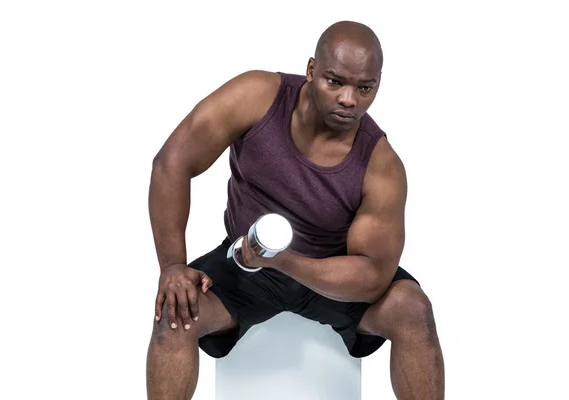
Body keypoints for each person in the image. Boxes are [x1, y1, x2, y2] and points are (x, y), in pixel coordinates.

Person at [146, 20, 445, 400]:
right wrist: (173, 266)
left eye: (364, 88)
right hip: (243, 265)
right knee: (176, 313)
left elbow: (372, 275)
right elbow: (171, 163)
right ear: (311, 70)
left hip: (332, 278)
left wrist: (283, 261)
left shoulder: (381, 165)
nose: (348, 99)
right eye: (334, 81)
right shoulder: (257, 96)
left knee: (413, 310)